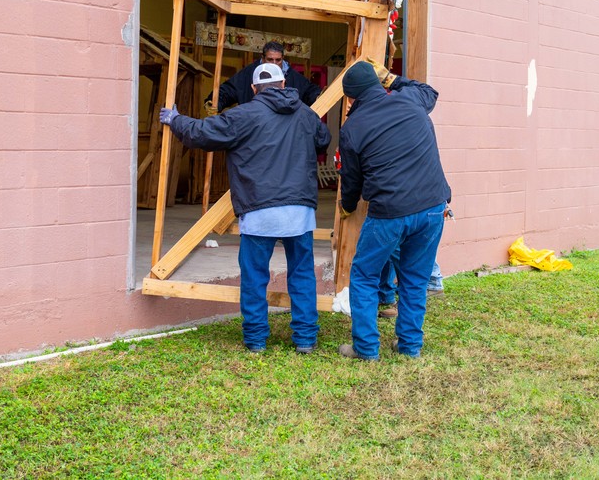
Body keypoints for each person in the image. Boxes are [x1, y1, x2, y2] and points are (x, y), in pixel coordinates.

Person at [161, 62, 331, 355]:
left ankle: (256, 340)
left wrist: (176, 120)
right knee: (302, 274)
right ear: (283, 84)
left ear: (254, 89)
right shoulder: (306, 114)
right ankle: (305, 339)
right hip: (299, 211)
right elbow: (323, 140)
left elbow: (202, 133)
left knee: (254, 276)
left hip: (258, 209)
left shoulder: (242, 115)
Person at [336, 60, 452, 360]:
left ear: (350, 98)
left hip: (389, 212)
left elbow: (352, 180)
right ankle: (409, 346)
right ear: (379, 84)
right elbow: (429, 91)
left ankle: (365, 348)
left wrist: (347, 207)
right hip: (433, 207)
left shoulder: (352, 128)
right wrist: (393, 78)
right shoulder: (410, 99)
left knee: (364, 276)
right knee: (414, 279)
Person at [208, 41, 321, 111]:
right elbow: (229, 90)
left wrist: (318, 97)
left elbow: (309, 91)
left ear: (283, 59)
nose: (274, 63)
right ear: (262, 58)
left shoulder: (292, 76)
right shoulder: (249, 73)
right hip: (254, 126)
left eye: (278, 60)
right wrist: (215, 102)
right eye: (270, 59)